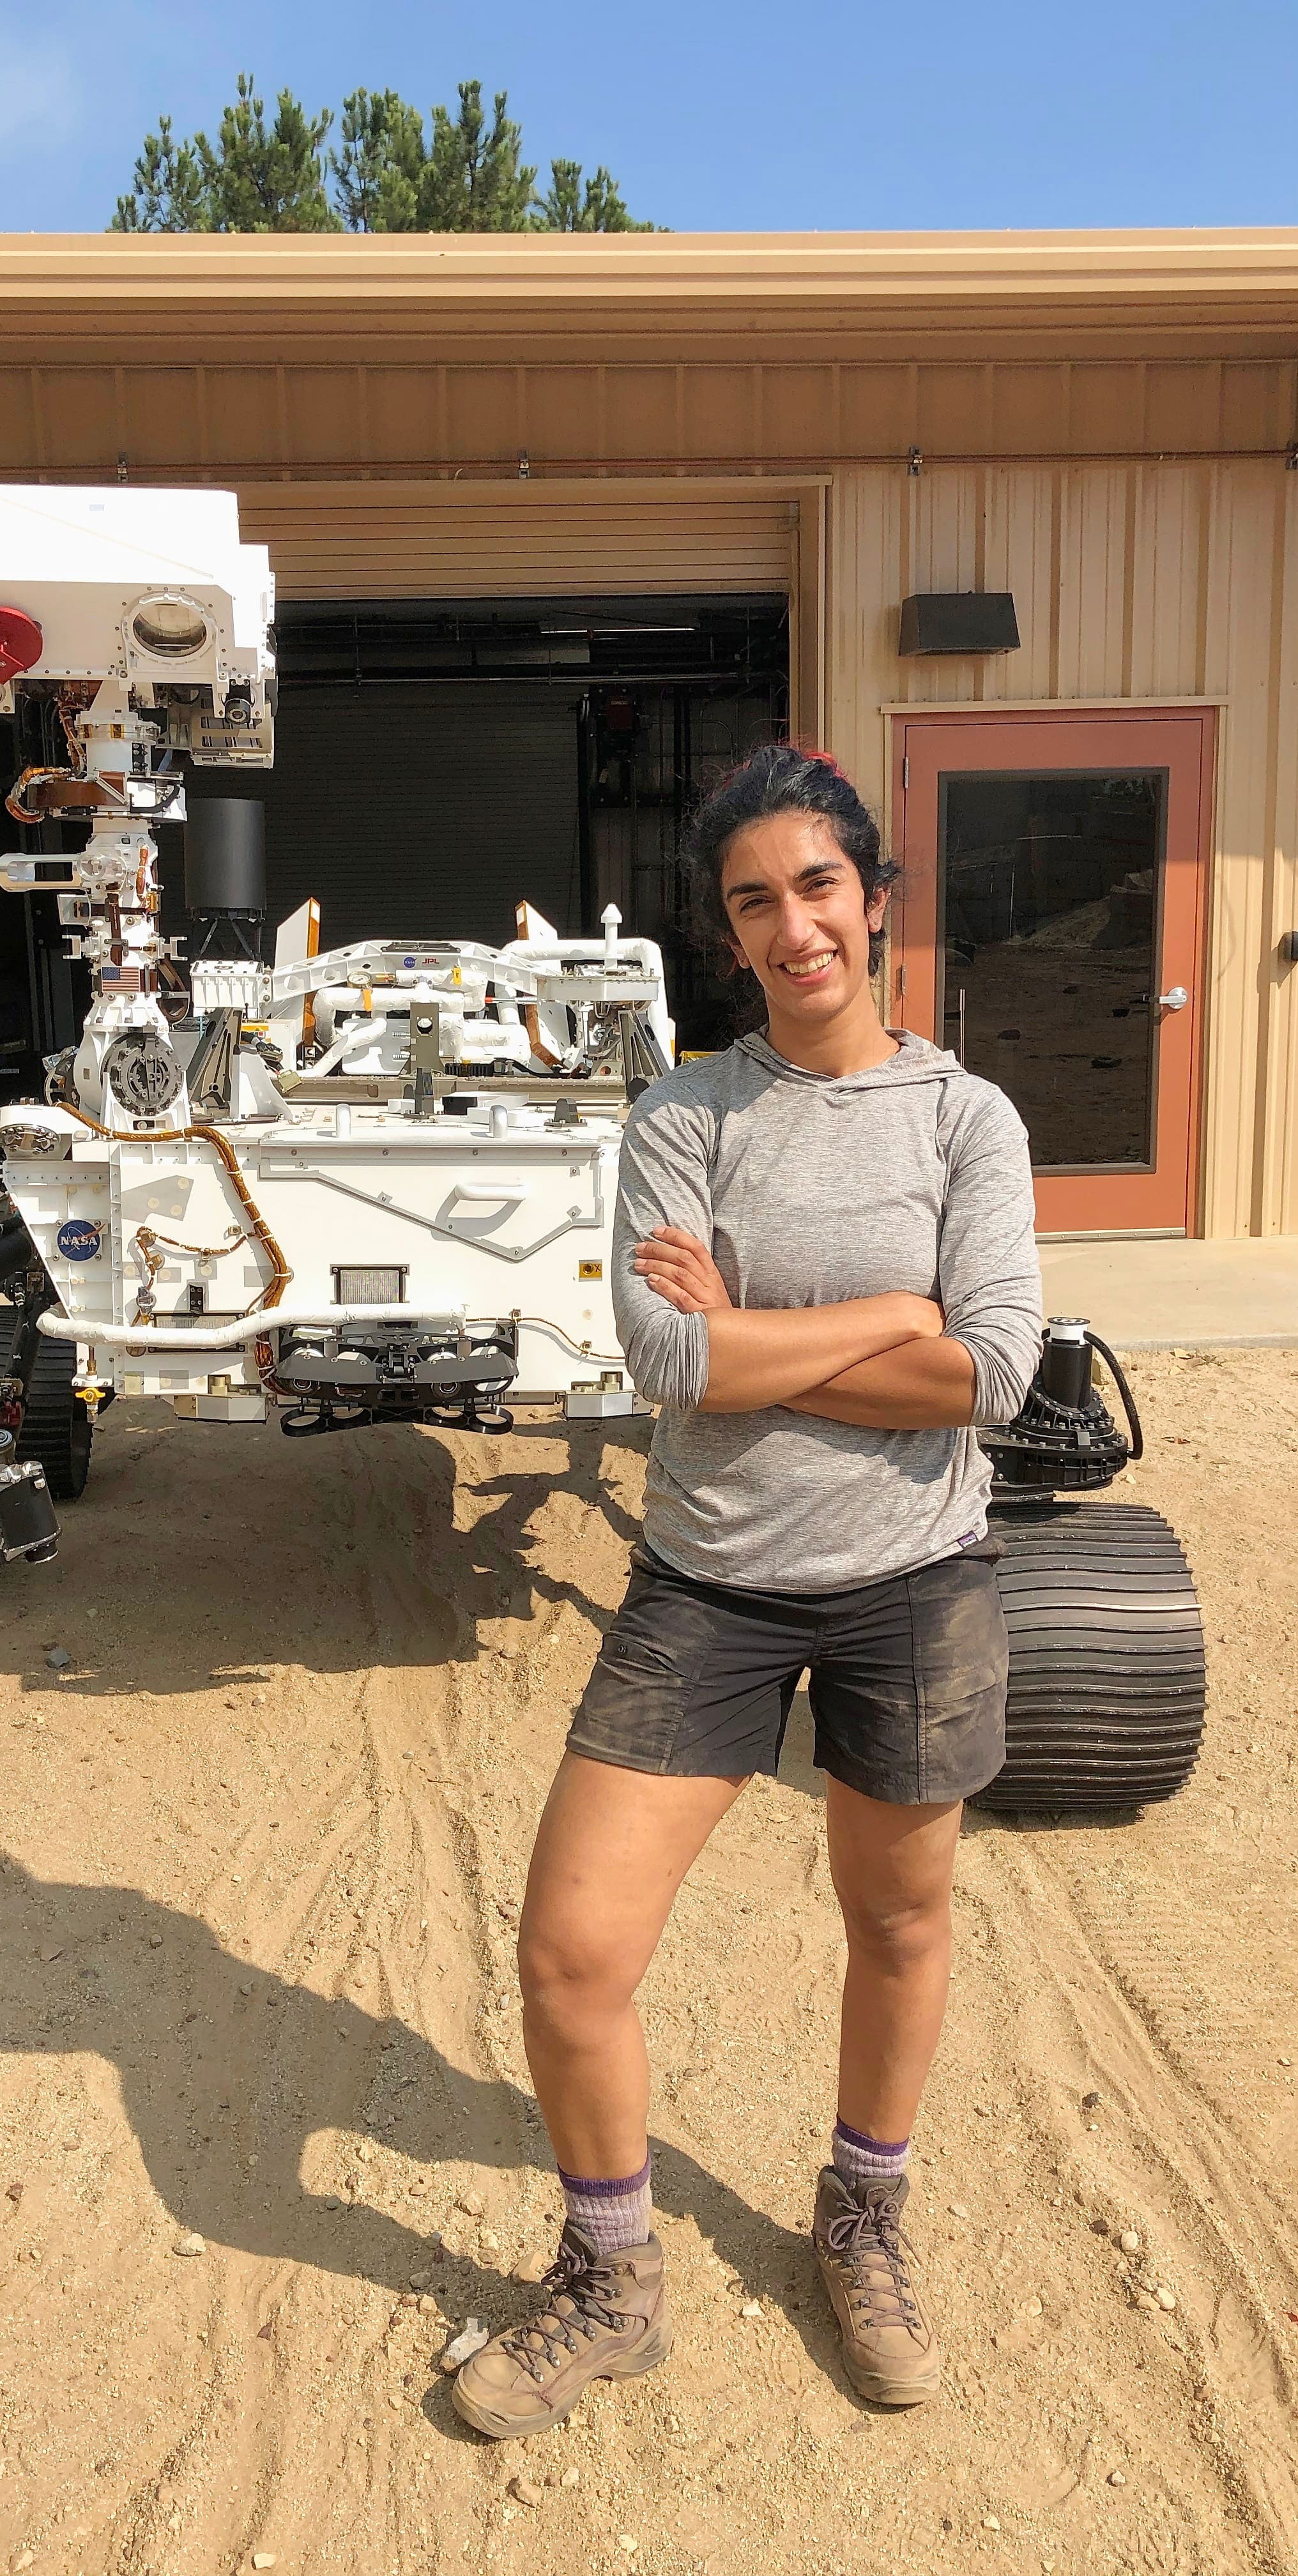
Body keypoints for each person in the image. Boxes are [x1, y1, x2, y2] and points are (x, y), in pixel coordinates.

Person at [452, 743, 1042, 2441]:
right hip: (708, 1590)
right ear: (729, 932)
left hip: (913, 1584)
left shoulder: (964, 1120)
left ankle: (861, 2216)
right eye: (754, 901)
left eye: (818, 887)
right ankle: (613, 2278)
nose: (794, 926)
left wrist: (758, 1346)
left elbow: (992, 1373)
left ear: (873, 896)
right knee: (571, 1950)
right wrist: (890, 1317)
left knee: (900, 1919)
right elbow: (666, 1356)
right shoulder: (684, 1117)